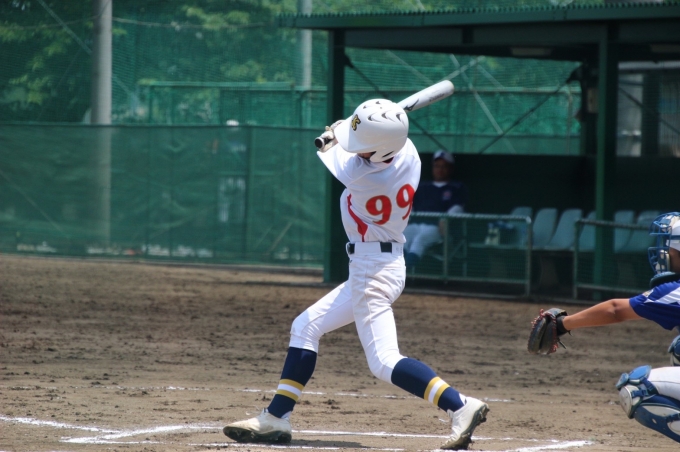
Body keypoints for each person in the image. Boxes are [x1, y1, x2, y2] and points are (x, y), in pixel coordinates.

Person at [222, 99, 489, 450]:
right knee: (305, 326)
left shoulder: (358, 174)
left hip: (371, 271)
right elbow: (367, 139)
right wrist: (358, 127)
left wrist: (336, 131)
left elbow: (330, 148)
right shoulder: (408, 152)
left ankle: (459, 405)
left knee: (384, 361)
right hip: (383, 264)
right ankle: (276, 416)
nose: (358, 149)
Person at [533, 212, 680, 444]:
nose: (664, 253)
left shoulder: (674, 291)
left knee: (637, 388)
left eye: (669, 247)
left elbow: (615, 310)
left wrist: (561, 324)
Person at [403, 150, 467, 270]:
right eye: (437, 166)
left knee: (419, 240)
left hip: (437, 227)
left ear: (450, 169)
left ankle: (406, 273)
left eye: (444, 166)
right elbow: (410, 206)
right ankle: (396, 273)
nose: (440, 169)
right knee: (402, 238)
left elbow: (458, 207)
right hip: (416, 223)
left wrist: (445, 220)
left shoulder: (456, 187)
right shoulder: (423, 186)